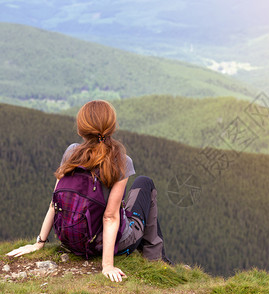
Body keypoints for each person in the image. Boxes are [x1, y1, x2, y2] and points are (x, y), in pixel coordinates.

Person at [6, 100, 168, 282]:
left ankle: (154, 258)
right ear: (111, 127)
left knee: (124, 205)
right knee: (144, 183)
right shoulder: (122, 160)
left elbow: (55, 202)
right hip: (112, 244)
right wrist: (107, 265)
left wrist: (39, 243)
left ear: (81, 129)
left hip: (72, 241)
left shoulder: (71, 153)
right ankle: (155, 259)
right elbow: (110, 217)